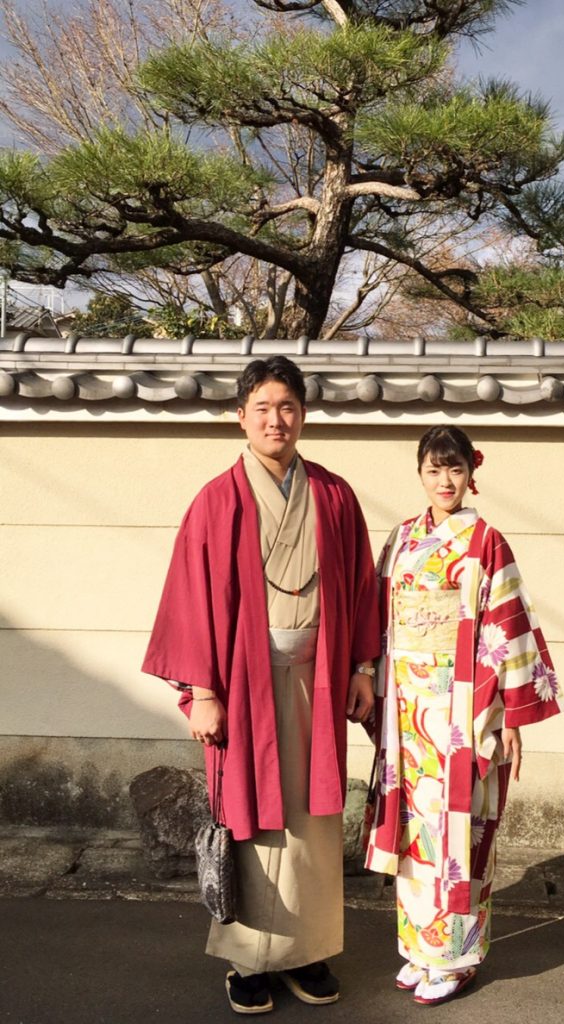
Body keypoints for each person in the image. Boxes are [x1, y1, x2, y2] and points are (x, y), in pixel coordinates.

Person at [143, 356, 379, 1013]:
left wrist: (362, 669)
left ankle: (308, 951)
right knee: (248, 816)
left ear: (303, 415)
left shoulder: (333, 495)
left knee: (312, 820)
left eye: (288, 408)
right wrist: (203, 692)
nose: (277, 420)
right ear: (240, 417)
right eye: (263, 408)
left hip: (318, 680)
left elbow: (361, 584)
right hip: (241, 686)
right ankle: (247, 959)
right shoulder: (216, 501)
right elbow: (191, 598)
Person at [366, 425, 564, 1006]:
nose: (444, 481)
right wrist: (369, 681)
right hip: (406, 707)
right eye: (434, 469)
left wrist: (511, 718)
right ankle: (418, 947)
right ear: (420, 474)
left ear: (470, 474)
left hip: (462, 709)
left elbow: (508, 627)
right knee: (414, 830)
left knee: (458, 833)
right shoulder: (401, 538)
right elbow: (377, 615)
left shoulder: (486, 541)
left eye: (454, 469)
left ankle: (456, 957)